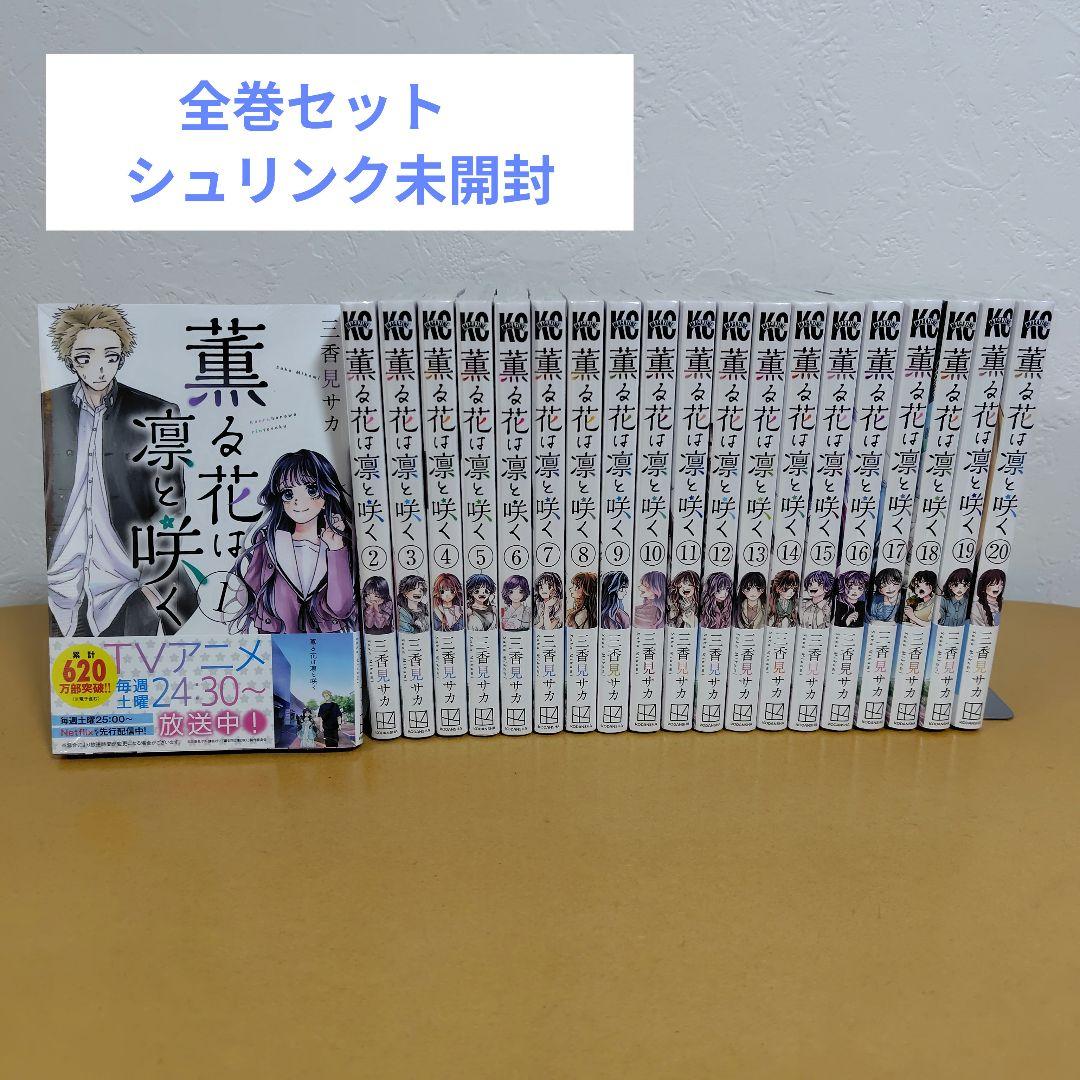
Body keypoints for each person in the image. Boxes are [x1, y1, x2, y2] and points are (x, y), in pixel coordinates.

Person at [43, 304, 198, 636]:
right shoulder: (45, 409)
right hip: (57, 584)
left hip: (129, 583)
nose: (100, 368)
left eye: (111, 356)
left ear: (122, 357)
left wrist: (152, 581)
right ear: (69, 360)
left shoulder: (156, 412)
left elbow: (171, 503)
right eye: (85, 358)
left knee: (136, 668)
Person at [230, 449, 357, 635]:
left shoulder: (337, 544)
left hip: (325, 644)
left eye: (312, 490)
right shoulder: (268, 542)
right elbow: (245, 596)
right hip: (279, 638)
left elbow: (340, 609)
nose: (298, 501)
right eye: (288, 494)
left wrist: (336, 548)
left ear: (327, 493)